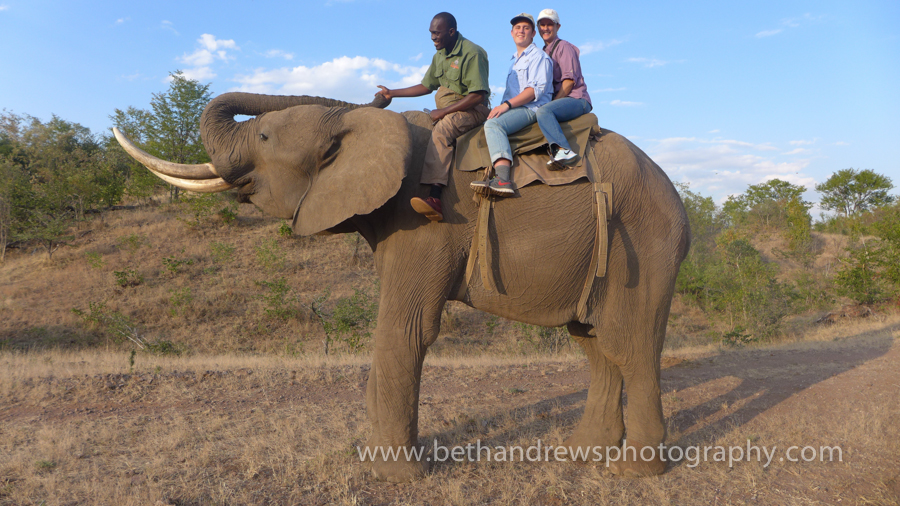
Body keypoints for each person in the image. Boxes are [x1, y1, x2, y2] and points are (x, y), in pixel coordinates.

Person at [376, 12, 490, 222]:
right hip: (449, 109)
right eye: (431, 33)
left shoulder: (472, 53)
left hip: (473, 110)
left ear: (451, 32)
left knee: (442, 131)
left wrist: (444, 112)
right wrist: (392, 92)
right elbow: (426, 86)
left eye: (437, 33)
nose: (433, 38)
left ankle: (435, 198)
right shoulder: (439, 56)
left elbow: (478, 95)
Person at [470, 13, 552, 196]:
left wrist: (506, 105)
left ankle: (502, 178)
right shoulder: (515, 60)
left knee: (493, 124)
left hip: (531, 108)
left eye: (526, 28)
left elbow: (533, 92)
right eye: (517, 27)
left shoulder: (538, 56)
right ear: (511, 32)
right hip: (516, 107)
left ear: (533, 34)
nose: (521, 31)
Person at [535, 9, 592, 166]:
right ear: (538, 28)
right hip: (562, 100)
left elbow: (568, 83)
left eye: (550, 25)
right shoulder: (543, 52)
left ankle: (563, 150)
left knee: (544, 112)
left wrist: (549, 105)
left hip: (576, 98)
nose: (546, 28)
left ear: (557, 27)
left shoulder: (564, 47)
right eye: (542, 25)